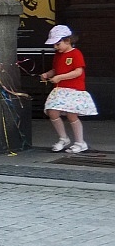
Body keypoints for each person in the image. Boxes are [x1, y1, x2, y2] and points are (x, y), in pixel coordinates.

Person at [39, 24, 97, 153]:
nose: (55, 47)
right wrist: (48, 74)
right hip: (60, 89)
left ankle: (80, 142)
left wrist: (60, 77)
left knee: (72, 115)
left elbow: (78, 72)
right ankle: (63, 138)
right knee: (52, 111)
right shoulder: (58, 55)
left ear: (67, 41)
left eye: (57, 44)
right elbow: (56, 69)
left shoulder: (76, 54)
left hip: (74, 89)